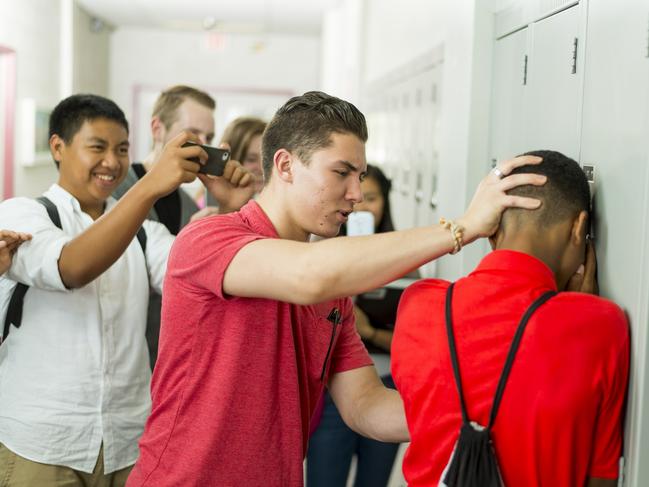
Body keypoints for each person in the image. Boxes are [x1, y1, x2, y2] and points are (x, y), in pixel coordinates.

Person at [126, 91, 546, 487]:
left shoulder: (333, 295)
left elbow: (367, 406)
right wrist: (463, 228)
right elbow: (308, 276)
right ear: (286, 165)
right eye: (341, 173)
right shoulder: (210, 239)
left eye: (359, 176)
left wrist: (485, 409)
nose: (356, 194)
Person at [0, 93, 251, 487]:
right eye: (97, 148)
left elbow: (208, 279)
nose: (112, 163)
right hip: (42, 445)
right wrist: (150, 186)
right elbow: (71, 267)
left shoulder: (147, 236)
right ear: (58, 147)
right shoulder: (23, 214)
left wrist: (230, 212)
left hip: (128, 444)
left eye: (121, 149)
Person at [391, 150, 629, 487]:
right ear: (579, 228)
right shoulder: (602, 325)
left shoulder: (418, 304)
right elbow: (600, 477)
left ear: (490, 231)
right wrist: (578, 309)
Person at [112, 85, 249, 367]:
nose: (202, 145)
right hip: (120, 354)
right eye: (192, 134)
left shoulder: (189, 203)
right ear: (157, 128)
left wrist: (228, 211)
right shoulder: (116, 190)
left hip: (167, 356)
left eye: (209, 137)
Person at [307, 164, 406, 487]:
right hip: (332, 390)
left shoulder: (404, 264)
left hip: (388, 384)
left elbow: (409, 346)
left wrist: (371, 332)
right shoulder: (318, 259)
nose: (362, 204)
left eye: (373, 197)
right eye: (357, 198)